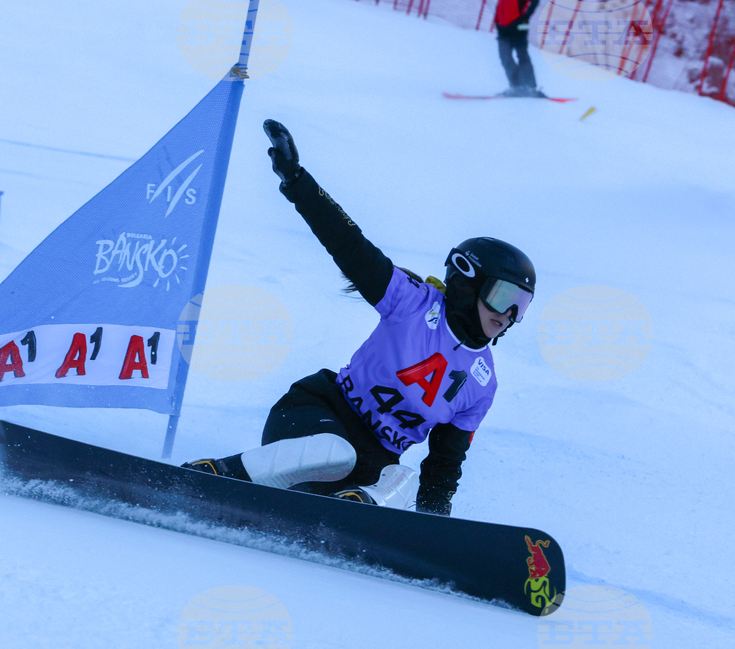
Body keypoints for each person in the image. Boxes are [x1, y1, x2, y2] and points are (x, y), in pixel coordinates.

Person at [182, 120, 536, 516]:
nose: (508, 314)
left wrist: (437, 534)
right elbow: (349, 246)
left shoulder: (481, 385)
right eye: (503, 296)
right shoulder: (412, 303)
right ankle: (217, 475)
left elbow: (444, 465)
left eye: (520, 305)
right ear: (469, 284)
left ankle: (353, 512)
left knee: (403, 479)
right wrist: (297, 181)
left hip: (367, 468)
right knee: (337, 452)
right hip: (313, 417)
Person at [495, 0, 543, 97]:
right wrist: (496, 20)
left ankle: (531, 88)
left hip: (519, 26)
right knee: (505, 58)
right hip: (503, 28)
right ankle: (516, 87)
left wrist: (525, 16)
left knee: (522, 56)